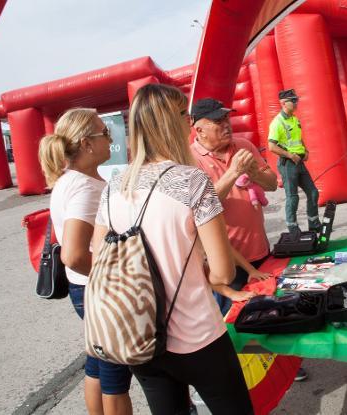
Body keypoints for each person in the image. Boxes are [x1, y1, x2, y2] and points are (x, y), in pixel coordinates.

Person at [90, 84, 253, 415]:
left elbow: (99, 259)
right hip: (198, 336)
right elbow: (224, 272)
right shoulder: (192, 182)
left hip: (141, 335)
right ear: (172, 122)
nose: (189, 122)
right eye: (185, 115)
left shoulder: (113, 189)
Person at [190, 98, 308, 381]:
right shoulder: (189, 159)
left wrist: (253, 171)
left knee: (267, 313)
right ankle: (237, 381)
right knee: (229, 325)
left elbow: (270, 184)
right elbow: (200, 207)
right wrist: (233, 173)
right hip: (223, 262)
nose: (226, 125)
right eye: (217, 122)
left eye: (226, 119)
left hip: (259, 250)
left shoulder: (244, 146)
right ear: (198, 130)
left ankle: (279, 368)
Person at [38, 108, 133, 415]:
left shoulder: (71, 180)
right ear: (86, 143)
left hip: (86, 289)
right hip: (100, 291)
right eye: (104, 134)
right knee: (115, 376)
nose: (110, 139)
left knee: (97, 363)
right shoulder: (84, 188)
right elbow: (74, 254)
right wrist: (117, 278)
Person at [267, 89, 321, 234]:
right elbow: (271, 146)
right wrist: (290, 155)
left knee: (313, 192)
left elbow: (298, 138)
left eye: (297, 100)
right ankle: (292, 227)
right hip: (288, 164)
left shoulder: (294, 119)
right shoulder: (277, 123)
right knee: (293, 197)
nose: (297, 103)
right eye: (294, 101)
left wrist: (305, 150)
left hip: (299, 162)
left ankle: (314, 223)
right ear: (284, 103)